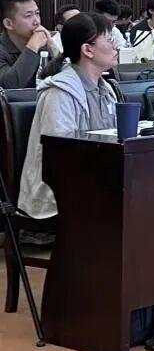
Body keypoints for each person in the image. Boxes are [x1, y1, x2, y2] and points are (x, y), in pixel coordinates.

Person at [19, 13, 118, 219]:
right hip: (60, 192)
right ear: (87, 50)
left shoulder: (106, 89)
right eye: (109, 40)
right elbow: (61, 155)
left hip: (96, 180)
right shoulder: (60, 93)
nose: (115, 46)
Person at [0, 0, 57, 89]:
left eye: (37, 13)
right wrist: (33, 46)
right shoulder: (2, 49)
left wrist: (55, 53)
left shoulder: (47, 42)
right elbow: (10, 85)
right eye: (28, 16)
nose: (37, 21)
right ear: (9, 24)